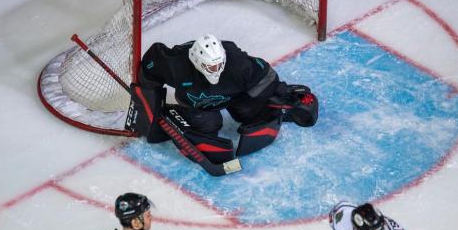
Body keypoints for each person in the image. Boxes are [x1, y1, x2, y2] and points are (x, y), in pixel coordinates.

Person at [125, 34, 318, 164]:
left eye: (219, 65)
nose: (216, 70)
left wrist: (282, 95)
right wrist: (149, 106)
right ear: (198, 63)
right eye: (211, 67)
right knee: (209, 123)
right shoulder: (175, 64)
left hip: (232, 96)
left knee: (248, 112)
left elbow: (264, 75)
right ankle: (200, 121)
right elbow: (149, 69)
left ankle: (245, 109)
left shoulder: (236, 62)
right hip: (197, 104)